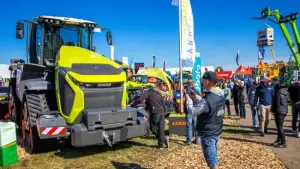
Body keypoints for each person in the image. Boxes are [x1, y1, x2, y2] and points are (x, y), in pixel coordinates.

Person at [192, 71, 225, 169]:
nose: (202, 82)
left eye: (203, 80)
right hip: (216, 130)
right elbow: (209, 106)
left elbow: (193, 111)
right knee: (214, 158)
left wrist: (189, 100)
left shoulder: (207, 99)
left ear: (207, 81)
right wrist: (197, 97)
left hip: (208, 132)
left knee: (212, 163)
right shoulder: (220, 94)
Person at [271, 83, 288, 148]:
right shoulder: (285, 92)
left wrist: (273, 111)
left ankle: (284, 143)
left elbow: (277, 104)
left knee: (280, 127)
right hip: (284, 111)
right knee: (279, 127)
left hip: (279, 111)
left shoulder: (278, 93)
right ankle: (278, 140)